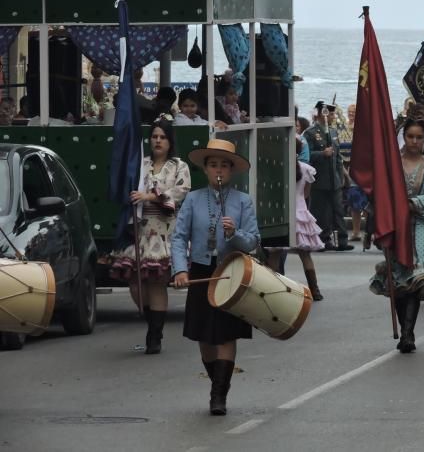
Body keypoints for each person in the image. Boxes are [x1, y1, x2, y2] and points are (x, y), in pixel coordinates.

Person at [171, 139, 260, 416]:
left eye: (224, 165)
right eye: (213, 165)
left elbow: (253, 242)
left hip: (231, 272)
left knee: (225, 333)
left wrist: (235, 234)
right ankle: (216, 382)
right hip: (200, 270)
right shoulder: (193, 199)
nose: (218, 170)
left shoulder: (243, 201)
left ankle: (219, 394)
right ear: (206, 169)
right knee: (205, 337)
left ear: (231, 170)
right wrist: (180, 269)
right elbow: (179, 238)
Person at [109, 119, 191, 354]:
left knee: (156, 283)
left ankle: (154, 335)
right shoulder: (140, 164)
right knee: (135, 283)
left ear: (169, 141)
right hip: (138, 229)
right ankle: (152, 323)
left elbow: (181, 191)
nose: (157, 141)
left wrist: (151, 197)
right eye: (154, 136)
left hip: (163, 230)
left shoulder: (178, 166)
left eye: (162, 137)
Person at [370, 119, 424, 352]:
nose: (414, 141)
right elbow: (380, 194)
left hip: (420, 224)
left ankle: (407, 333)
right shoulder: (392, 164)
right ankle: (404, 326)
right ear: (404, 136)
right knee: (397, 275)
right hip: (394, 224)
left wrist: (408, 204)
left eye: (419, 137)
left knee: (414, 272)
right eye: (410, 136)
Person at [268, 142, 326, 301]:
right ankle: (315, 291)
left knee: (274, 253)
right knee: (305, 255)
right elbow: (306, 194)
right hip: (300, 212)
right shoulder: (306, 169)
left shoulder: (276, 167)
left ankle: (272, 290)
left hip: (280, 213)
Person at [305, 101, 354, 251]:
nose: (333, 116)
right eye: (330, 113)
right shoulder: (311, 133)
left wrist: (343, 175)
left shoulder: (333, 132)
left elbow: (338, 157)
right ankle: (322, 240)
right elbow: (307, 155)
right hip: (320, 179)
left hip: (335, 179)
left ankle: (343, 241)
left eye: (333, 113)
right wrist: (321, 154)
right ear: (321, 114)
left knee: (338, 210)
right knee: (321, 212)